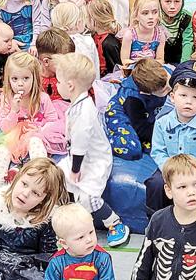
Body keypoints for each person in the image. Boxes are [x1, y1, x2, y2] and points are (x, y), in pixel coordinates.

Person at [54, 53, 130, 247]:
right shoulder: (77, 105)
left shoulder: (84, 111)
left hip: (94, 160)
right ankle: (65, 219)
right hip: (78, 157)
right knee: (56, 178)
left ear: (70, 85)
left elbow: (80, 143)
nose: (57, 85)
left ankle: (115, 223)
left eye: (59, 81)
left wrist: (76, 169)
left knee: (89, 197)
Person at [0, 158, 69, 280]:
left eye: (35, 193)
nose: (25, 193)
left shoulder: (43, 220)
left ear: (44, 200)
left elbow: (47, 255)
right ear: (17, 178)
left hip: (22, 269)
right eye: (24, 184)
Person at [144, 60, 196, 216]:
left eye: (195, 97)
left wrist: (191, 180)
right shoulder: (162, 121)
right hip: (169, 170)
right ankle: (156, 223)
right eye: (183, 95)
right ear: (172, 96)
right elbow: (158, 152)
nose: (188, 101)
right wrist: (172, 175)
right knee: (155, 185)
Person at [133, 154, 196, 280]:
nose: (191, 192)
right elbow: (143, 264)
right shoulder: (157, 220)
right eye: (182, 187)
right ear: (169, 191)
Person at [0, 52, 63, 187]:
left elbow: (52, 120)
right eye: (15, 79)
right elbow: (4, 128)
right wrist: (14, 111)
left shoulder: (42, 99)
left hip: (36, 135)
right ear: (8, 79)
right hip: (13, 138)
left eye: (25, 78)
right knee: (1, 151)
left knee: (35, 143)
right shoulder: (6, 99)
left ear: (34, 78)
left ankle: (39, 179)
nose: (20, 84)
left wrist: (39, 130)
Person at [104, 58, 169, 159]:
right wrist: (163, 135)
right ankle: (106, 141)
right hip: (122, 112)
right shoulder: (132, 99)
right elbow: (140, 129)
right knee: (132, 149)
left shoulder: (166, 74)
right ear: (146, 93)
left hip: (147, 110)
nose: (169, 88)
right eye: (164, 90)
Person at [46, 204, 115, 280]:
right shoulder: (56, 263)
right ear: (64, 243)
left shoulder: (102, 258)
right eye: (81, 237)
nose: (89, 240)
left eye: (91, 232)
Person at [120, 0, 167, 65]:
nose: (151, 17)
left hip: (153, 69)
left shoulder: (160, 35)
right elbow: (125, 60)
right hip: (134, 70)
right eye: (145, 13)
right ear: (136, 16)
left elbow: (160, 60)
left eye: (155, 12)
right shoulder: (130, 35)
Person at [88, 0, 124, 74]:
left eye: (87, 17)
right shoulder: (94, 36)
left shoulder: (109, 44)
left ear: (94, 20)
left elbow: (116, 71)